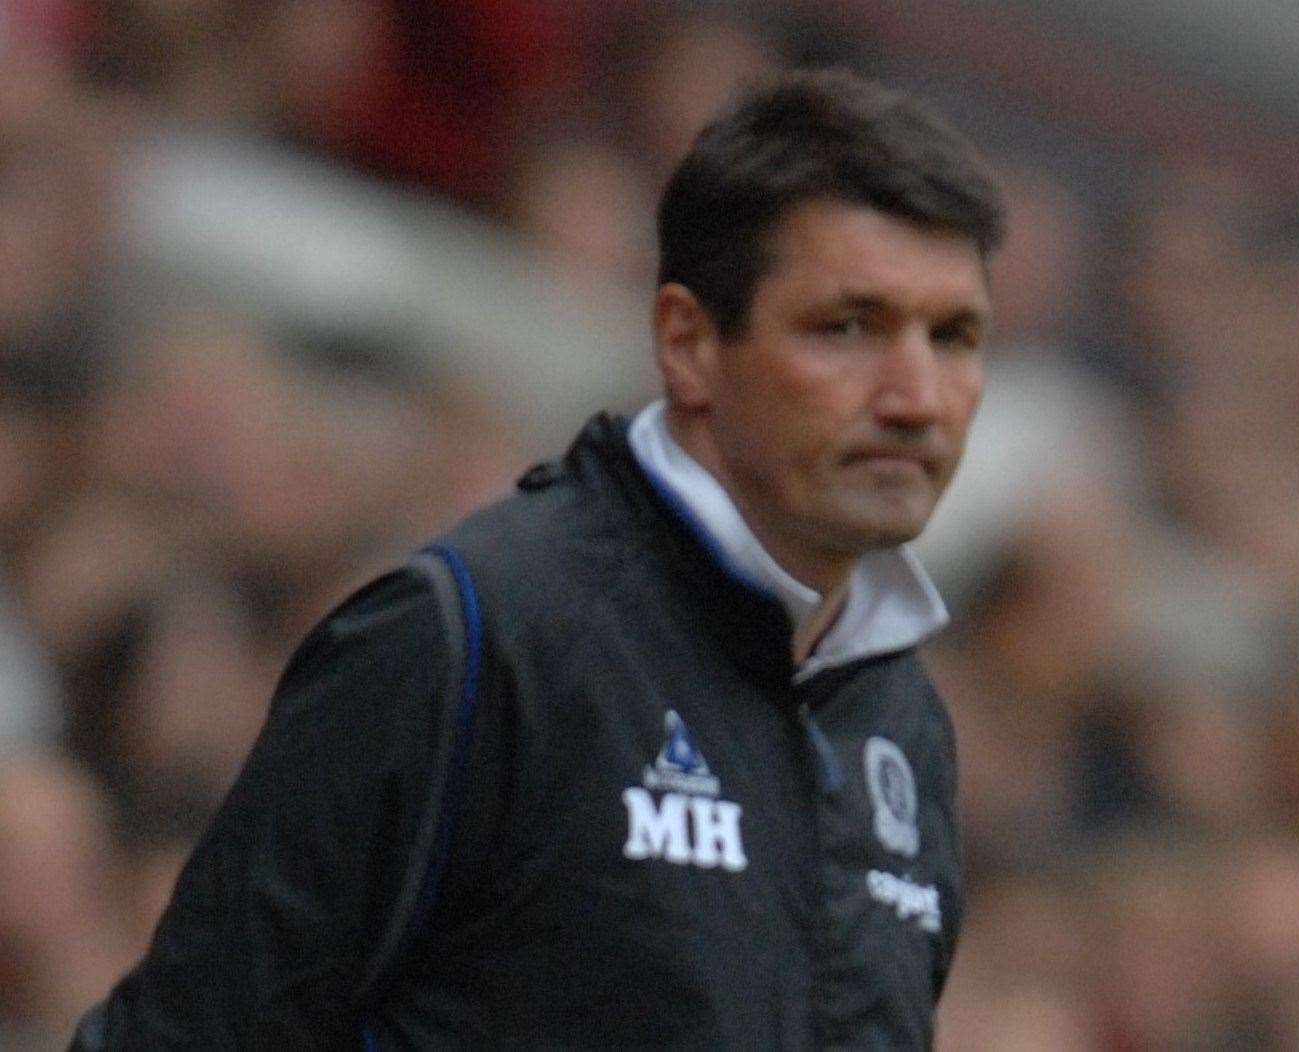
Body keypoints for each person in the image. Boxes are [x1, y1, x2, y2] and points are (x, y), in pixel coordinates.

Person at [71, 68, 1004, 1049]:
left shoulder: (901, 723)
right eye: (847, 327)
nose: (916, 395)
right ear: (687, 345)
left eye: (953, 336)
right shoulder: (479, 630)